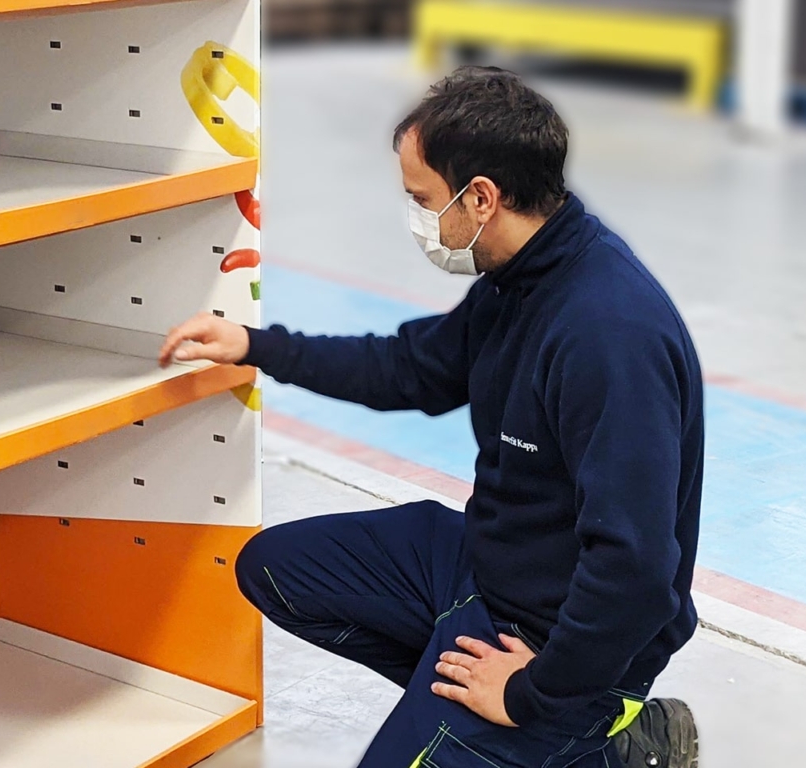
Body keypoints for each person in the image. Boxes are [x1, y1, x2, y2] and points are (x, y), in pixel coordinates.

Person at [157, 67, 704, 768]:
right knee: (275, 570)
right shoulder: (522, 272)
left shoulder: (606, 333)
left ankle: (597, 739)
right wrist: (256, 347)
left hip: (557, 632)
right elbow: (413, 367)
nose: (417, 218)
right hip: (490, 561)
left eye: (422, 199)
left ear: (481, 198)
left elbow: (637, 570)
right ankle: (480, 723)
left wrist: (531, 694)